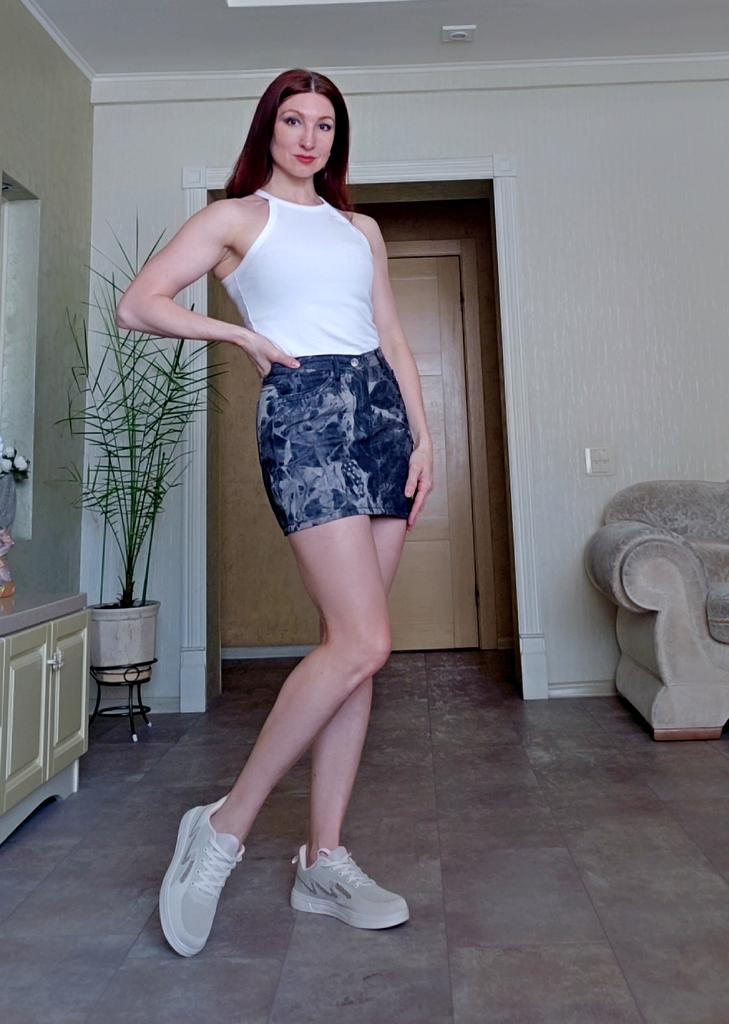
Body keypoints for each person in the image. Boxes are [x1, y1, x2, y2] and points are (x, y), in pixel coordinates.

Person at [116, 67, 433, 958]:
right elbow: (137, 305)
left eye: (323, 125)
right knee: (362, 641)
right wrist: (238, 333)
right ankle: (224, 826)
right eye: (293, 120)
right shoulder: (235, 219)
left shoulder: (358, 228)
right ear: (269, 128)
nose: (307, 138)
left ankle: (322, 862)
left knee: (355, 655)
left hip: (380, 417)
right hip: (305, 414)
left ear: (336, 139)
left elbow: (391, 335)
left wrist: (422, 436)